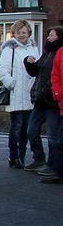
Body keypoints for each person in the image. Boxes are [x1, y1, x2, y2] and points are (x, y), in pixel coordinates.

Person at [0, 20, 41, 169]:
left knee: (26, 128)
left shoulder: (33, 48)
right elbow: (2, 71)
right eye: (19, 32)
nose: (22, 35)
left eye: (24, 32)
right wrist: (12, 84)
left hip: (30, 93)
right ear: (14, 34)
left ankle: (22, 155)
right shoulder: (10, 49)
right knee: (16, 126)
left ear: (28, 33)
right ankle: (13, 156)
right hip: (16, 93)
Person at [24, 26, 62, 175]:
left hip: (51, 102)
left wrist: (44, 93)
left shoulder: (59, 54)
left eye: (52, 35)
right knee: (31, 130)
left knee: (52, 136)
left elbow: (55, 79)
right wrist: (29, 63)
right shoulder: (47, 53)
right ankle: (39, 157)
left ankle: (52, 165)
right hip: (40, 101)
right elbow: (36, 73)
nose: (49, 38)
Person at [46, 26, 63, 184]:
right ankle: (58, 172)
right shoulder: (60, 53)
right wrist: (58, 93)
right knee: (59, 141)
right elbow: (55, 75)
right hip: (62, 106)